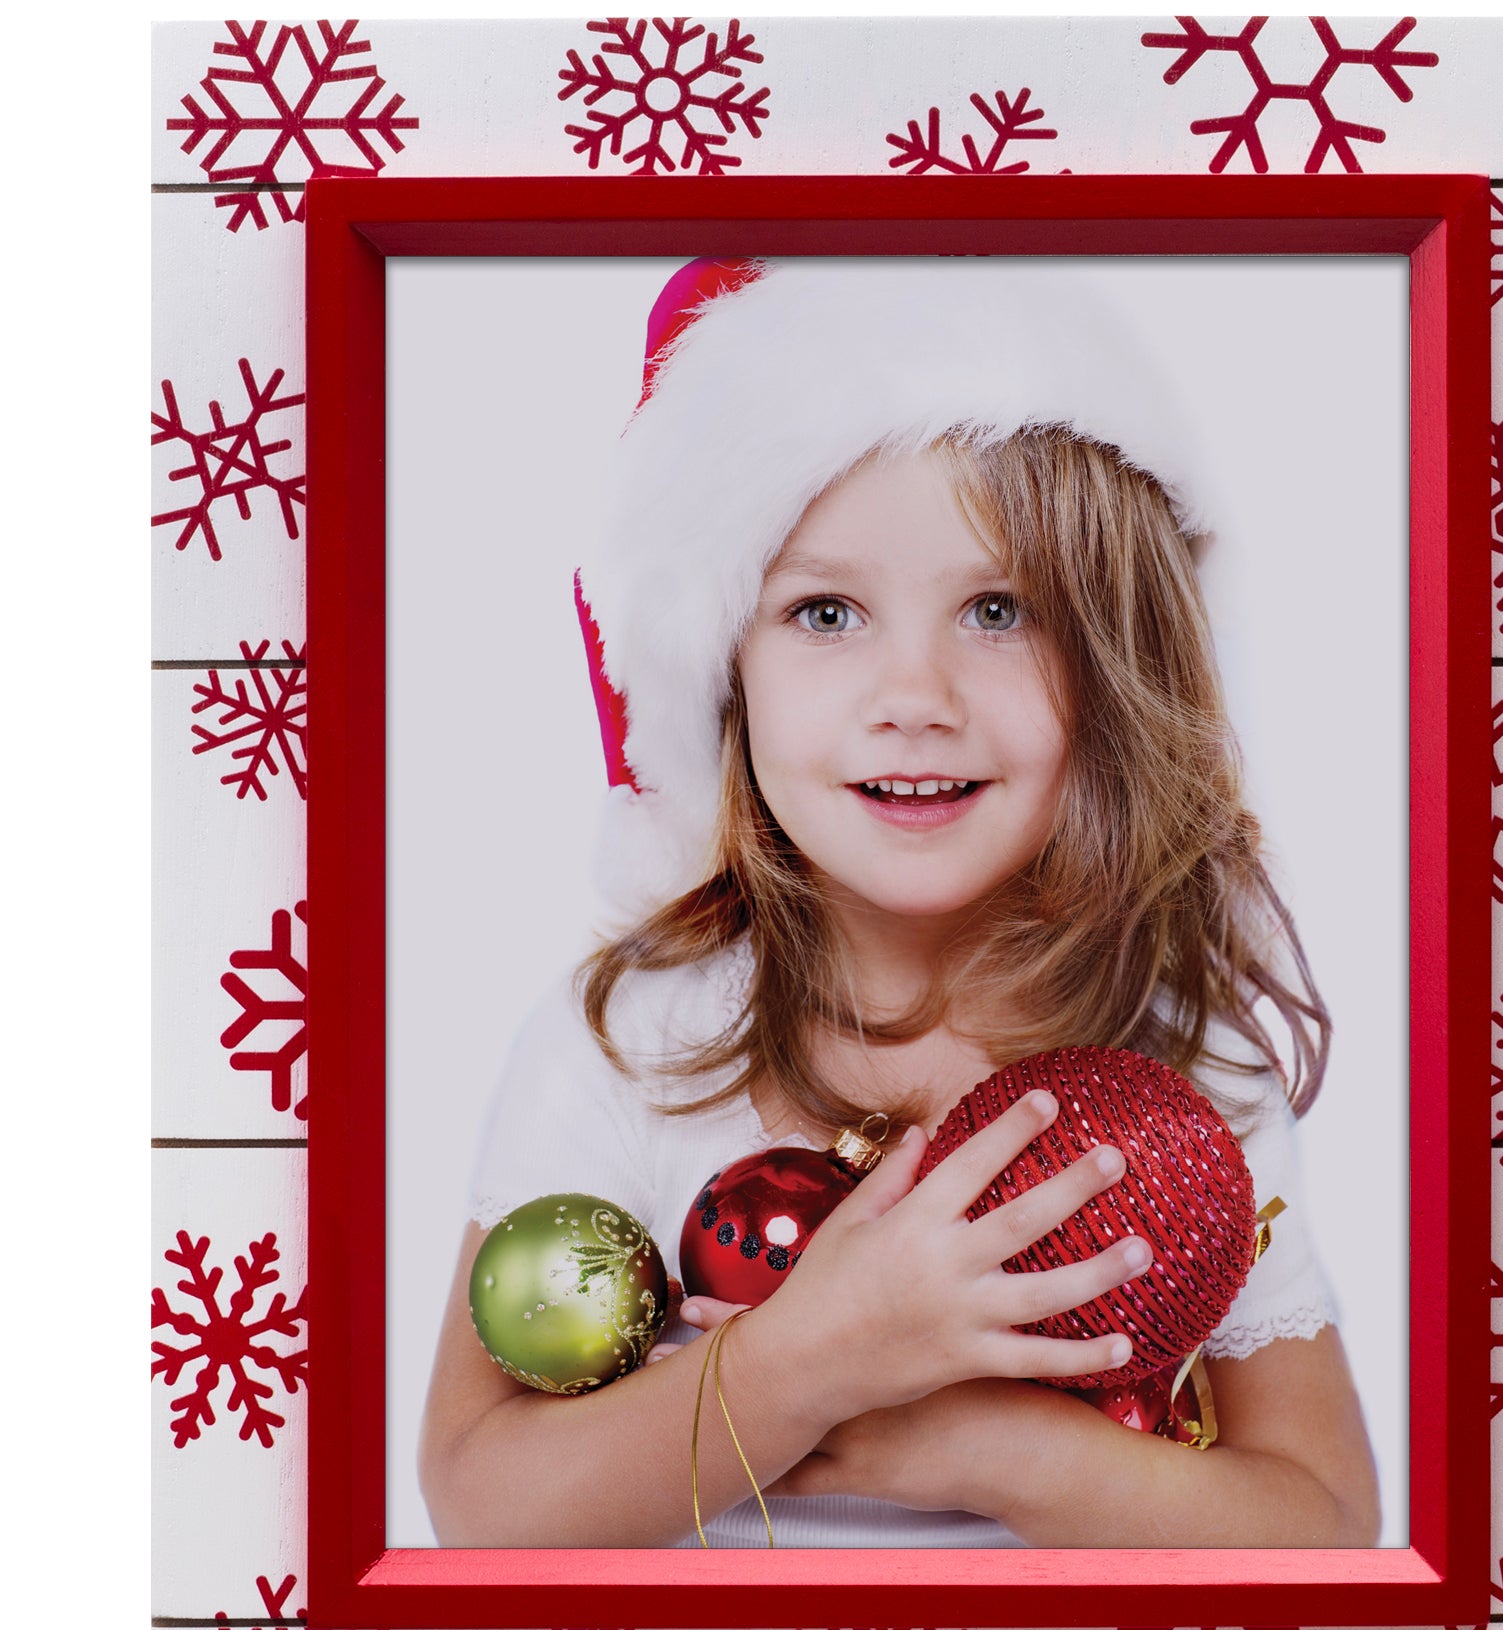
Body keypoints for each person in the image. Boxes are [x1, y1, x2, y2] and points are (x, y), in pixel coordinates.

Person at [419, 257, 1378, 1551]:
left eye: (998, 609)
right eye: (825, 612)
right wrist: (801, 1365)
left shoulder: (1179, 1062)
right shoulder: (640, 1039)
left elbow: (1324, 1527)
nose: (916, 696)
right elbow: (480, 1505)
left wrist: (985, 1450)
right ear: (724, 674)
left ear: (1115, 661)